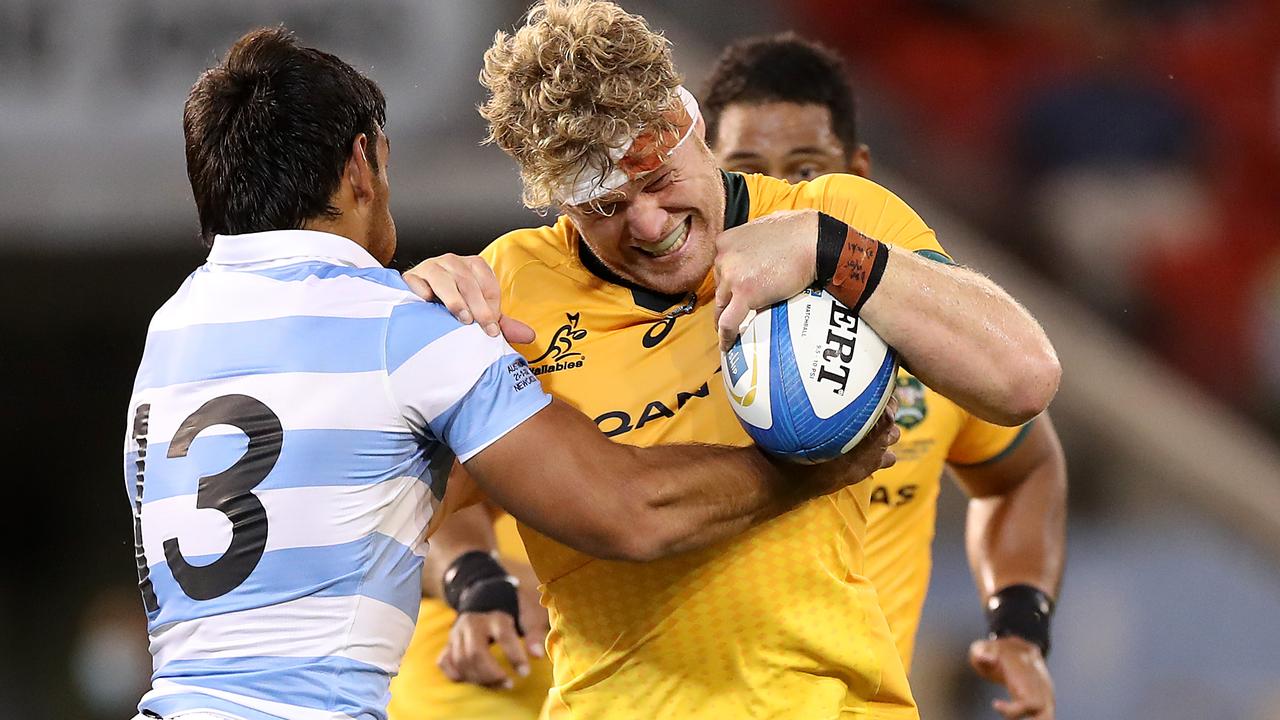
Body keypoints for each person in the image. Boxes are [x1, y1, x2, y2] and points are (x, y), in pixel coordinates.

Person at [122, 26, 896, 720]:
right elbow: (629, 511)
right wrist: (814, 471)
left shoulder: (170, 337)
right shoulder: (406, 327)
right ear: (362, 163)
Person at [393, 3, 1060, 719]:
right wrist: (393, 338)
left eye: (656, 178)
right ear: (557, 203)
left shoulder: (833, 213)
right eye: (603, 206)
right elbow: (401, 508)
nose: (648, 225)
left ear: (690, 119)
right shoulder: (512, 290)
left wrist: (826, 250)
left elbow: (1023, 380)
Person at [702, 34, 1066, 720]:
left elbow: (1025, 471)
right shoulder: (668, 327)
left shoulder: (937, 346)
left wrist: (1020, 625)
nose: (784, 198)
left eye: (807, 168)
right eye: (749, 170)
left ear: (856, 174)